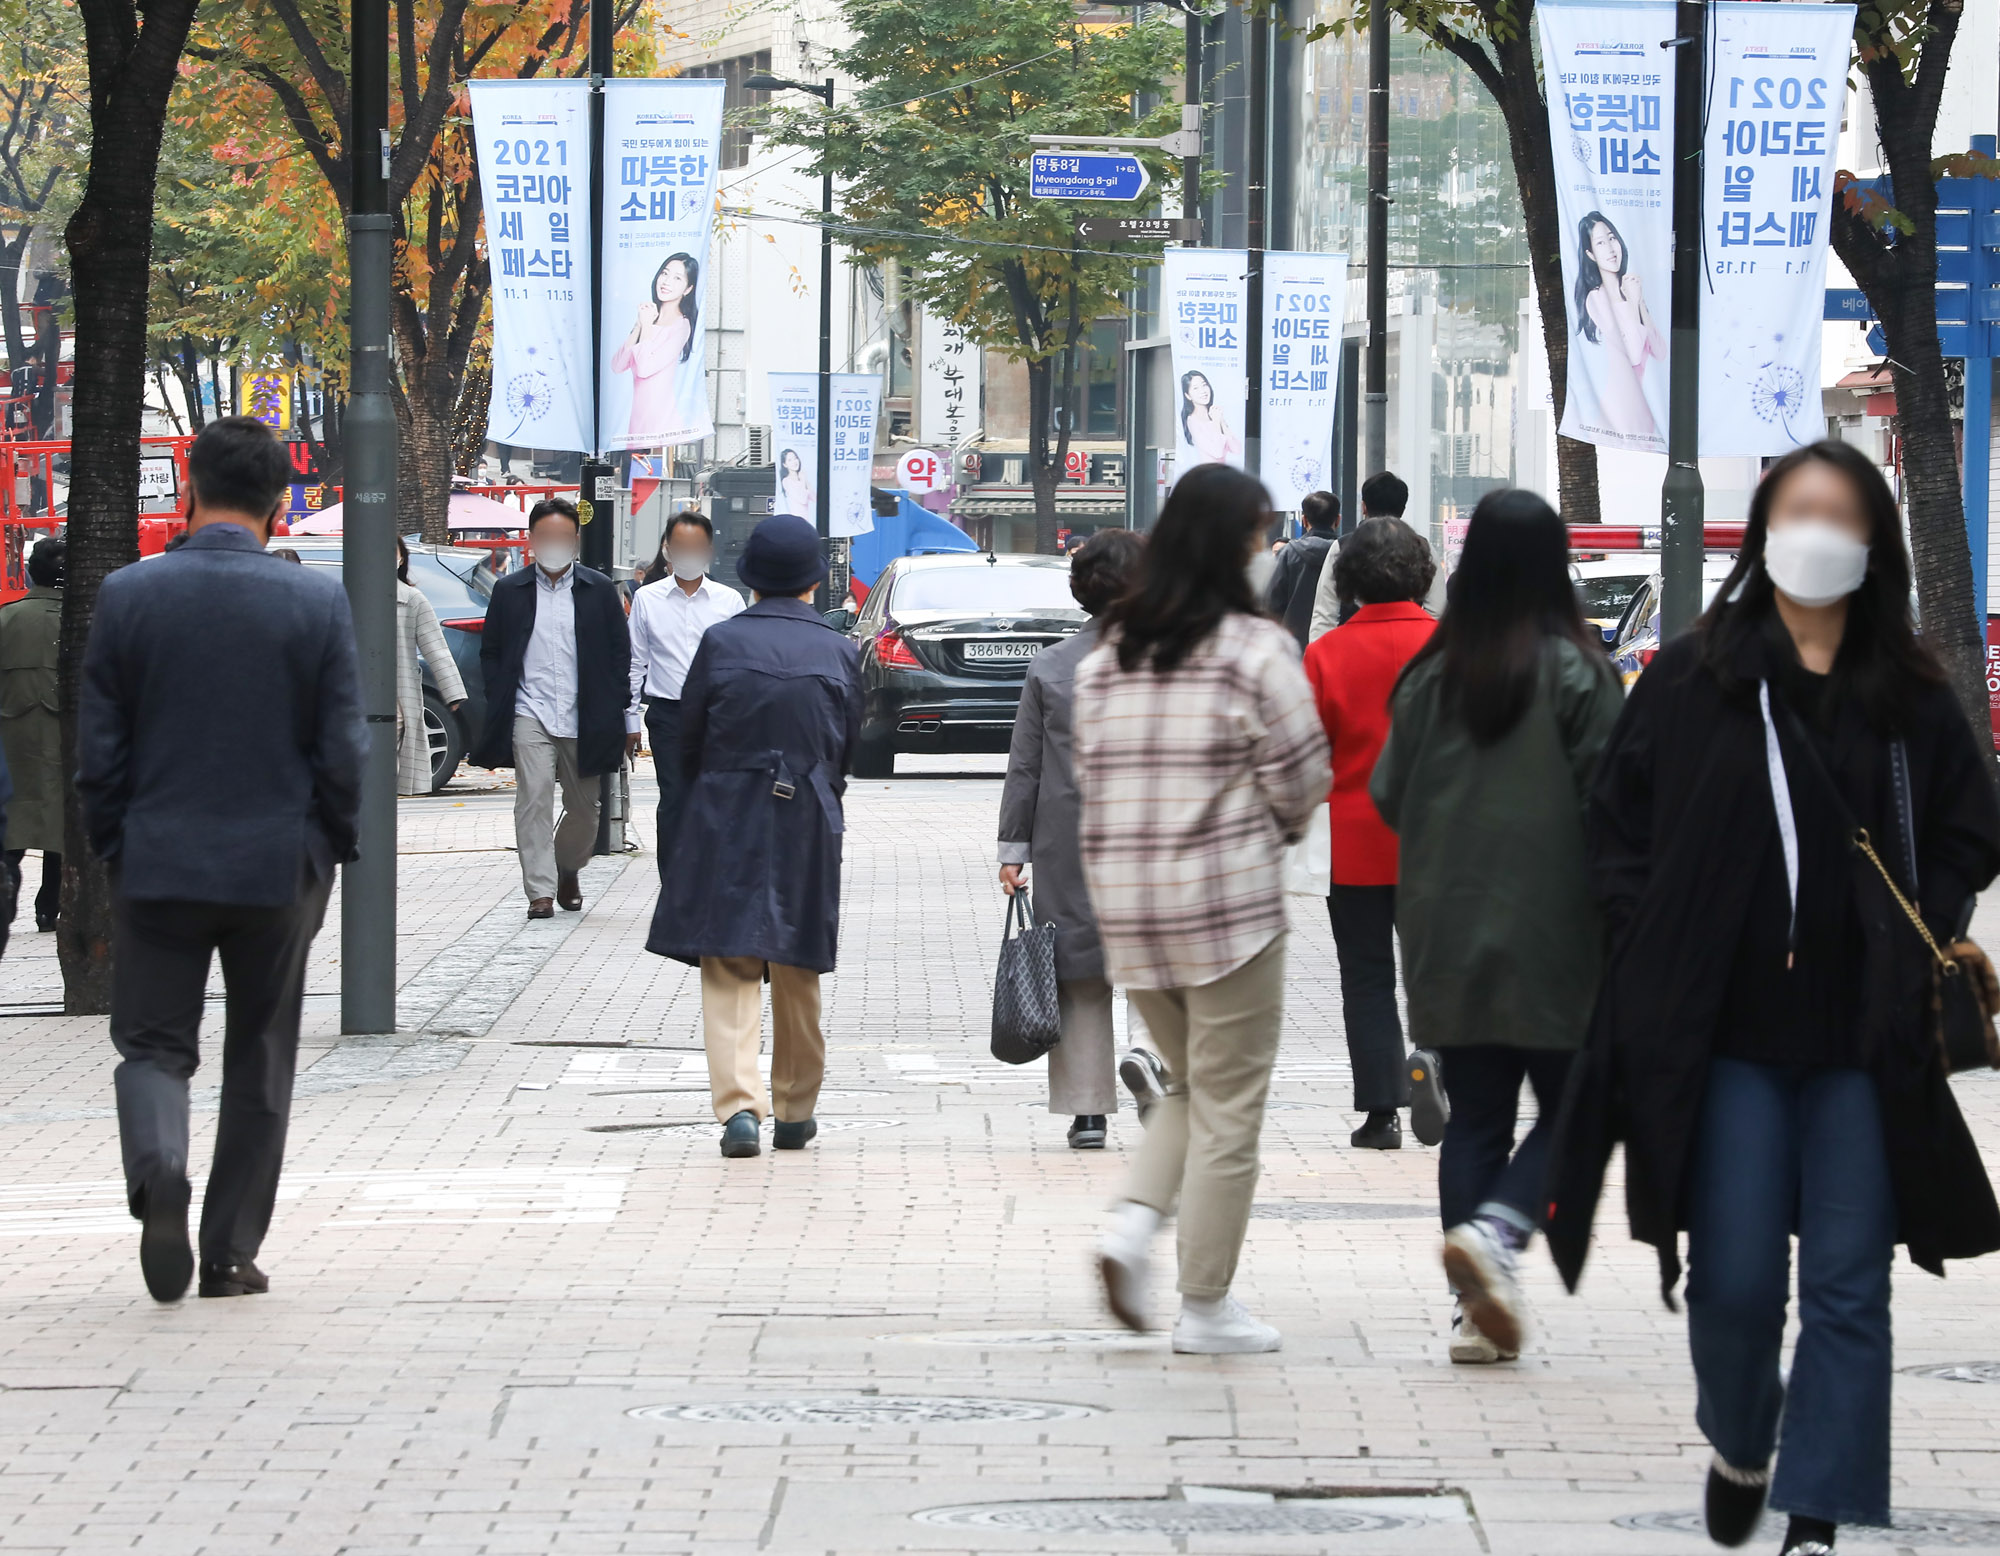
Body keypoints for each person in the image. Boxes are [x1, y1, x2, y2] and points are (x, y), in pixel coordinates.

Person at [1547, 442, 2000, 1556]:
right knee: (1737, 1281)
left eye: (1839, 515)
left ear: (1870, 542)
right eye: (1797, 510)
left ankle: (1814, 1515)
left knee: (1848, 1284)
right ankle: (1741, 1438)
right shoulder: (1697, 674)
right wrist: (1644, 935)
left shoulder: (1909, 691)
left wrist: (1923, 923)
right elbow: (1615, 824)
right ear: (1760, 531)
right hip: (1726, 1035)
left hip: (1864, 1036)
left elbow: (1968, 825)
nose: (1816, 532)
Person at [76, 415, 365, 1303]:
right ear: (281, 502)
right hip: (276, 866)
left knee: (154, 1046)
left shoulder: (128, 595)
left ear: (192, 486)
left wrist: (114, 843)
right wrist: (328, 848)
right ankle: (230, 1252)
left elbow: (101, 750)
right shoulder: (314, 601)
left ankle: (160, 1163)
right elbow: (343, 750)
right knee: (261, 1056)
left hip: (157, 859)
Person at [1369, 487, 1622, 1365]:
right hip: (1560, 935)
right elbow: (1617, 807)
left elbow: (1390, 794)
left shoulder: (1432, 676)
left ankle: (1472, 1312)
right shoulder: (1583, 672)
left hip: (1444, 929)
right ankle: (1500, 1240)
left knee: (1476, 1118)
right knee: (1583, 1108)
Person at [1082, 464, 1330, 1354]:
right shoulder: (1255, 648)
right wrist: (1278, 825)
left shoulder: (1111, 650)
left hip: (1130, 908)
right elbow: (1303, 771)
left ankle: (1129, 1227)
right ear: (1240, 545)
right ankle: (1205, 1306)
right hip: (1228, 909)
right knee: (1231, 1105)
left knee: (1190, 1083)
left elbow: (1088, 776)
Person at [645, 515, 861, 1159]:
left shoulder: (720, 643)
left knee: (730, 959)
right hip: (808, 810)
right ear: (815, 580)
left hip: (725, 807)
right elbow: (848, 745)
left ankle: (740, 1107)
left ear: (751, 578)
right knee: (797, 961)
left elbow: (688, 742)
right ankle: (796, 1107)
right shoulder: (839, 649)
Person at [997, 528, 1146, 1149]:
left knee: (1079, 972)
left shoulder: (1052, 667)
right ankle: (1152, 1060)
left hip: (1069, 837)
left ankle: (1088, 1112)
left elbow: (1025, 766)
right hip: (1155, 837)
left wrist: (1013, 851)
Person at [1301, 518, 1438, 1150]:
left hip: (1351, 840)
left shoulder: (1324, 655)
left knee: (1365, 976)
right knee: (1437, 970)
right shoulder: (1451, 647)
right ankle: (1438, 1069)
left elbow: (1309, 755)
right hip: (1440, 841)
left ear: (1348, 579)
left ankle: (1381, 1110)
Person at [472, 497, 631, 918]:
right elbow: (491, 651)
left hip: (586, 715)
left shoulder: (598, 590)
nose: (554, 544)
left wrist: (618, 709)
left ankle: (567, 868)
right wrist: (501, 693)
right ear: (531, 540)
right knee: (534, 800)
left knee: (586, 810)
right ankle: (540, 892)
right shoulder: (510, 590)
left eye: (562, 536)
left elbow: (620, 655)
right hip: (531, 711)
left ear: (575, 540)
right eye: (546, 536)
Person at [625, 510, 745, 880]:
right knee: (675, 799)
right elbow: (635, 662)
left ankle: (712, 880)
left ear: (708, 550)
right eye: (681, 546)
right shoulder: (648, 599)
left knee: (716, 799)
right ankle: (675, 885)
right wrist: (629, 720)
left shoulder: (730, 602)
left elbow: (741, 666)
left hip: (719, 716)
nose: (688, 553)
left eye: (696, 546)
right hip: (669, 714)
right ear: (667, 549)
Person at [0, 537, 63, 930]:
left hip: (11, 742)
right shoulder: (80, 619)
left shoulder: (6, 618)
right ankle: (49, 907)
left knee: (13, 824)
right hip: (64, 741)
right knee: (62, 826)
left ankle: (7, 891)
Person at [1573, 210, 1664, 442]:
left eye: (1612, 238)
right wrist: (1633, 303)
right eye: (1601, 243)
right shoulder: (1597, 298)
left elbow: (1660, 351)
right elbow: (1632, 354)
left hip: (1645, 407)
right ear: (1590, 254)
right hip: (1620, 410)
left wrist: (1640, 301)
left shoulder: (1631, 289)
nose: (1611, 249)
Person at [395, 537, 467, 796]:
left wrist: (453, 692)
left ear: (402, 558)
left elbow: (435, 646)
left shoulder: (411, 599)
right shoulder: (350, 595)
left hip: (398, 691)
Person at [1308, 471, 1411, 641]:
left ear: (1364, 507)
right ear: (1402, 508)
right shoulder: (1422, 548)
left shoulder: (1342, 546)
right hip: (1409, 647)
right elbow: (1435, 610)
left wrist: (1319, 656)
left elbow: (1325, 613)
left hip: (1351, 646)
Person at [611, 252, 699, 445]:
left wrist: (647, 326)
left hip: (661, 423)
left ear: (688, 289)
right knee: (631, 474)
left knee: (649, 473)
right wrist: (639, 326)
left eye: (677, 278)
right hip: (636, 422)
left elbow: (644, 368)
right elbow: (617, 366)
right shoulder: (649, 318)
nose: (667, 281)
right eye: (664, 273)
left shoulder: (681, 326)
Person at [1263, 491, 1339, 648]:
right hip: (1336, 645)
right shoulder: (1347, 553)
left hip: (1294, 646)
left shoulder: (1288, 553)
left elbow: (1272, 603)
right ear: (1337, 520)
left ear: (1304, 521)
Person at [1177, 371, 1241, 466]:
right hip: (1208, 476)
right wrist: (1216, 422)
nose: (1203, 391)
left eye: (1204, 385)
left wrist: (1222, 422)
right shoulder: (1192, 421)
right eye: (1195, 388)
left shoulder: (1214, 415)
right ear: (1188, 396)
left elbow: (1237, 449)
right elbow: (1217, 452)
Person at [777, 448, 814, 520]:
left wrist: (806, 482)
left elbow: (815, 498)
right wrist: (803, 481)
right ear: (785, 464)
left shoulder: (802, 477)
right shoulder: (786, 481)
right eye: (790, 460)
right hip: (796, 520)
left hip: (807, 519)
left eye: (795, 458)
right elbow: (803, 500)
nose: (794, 462)